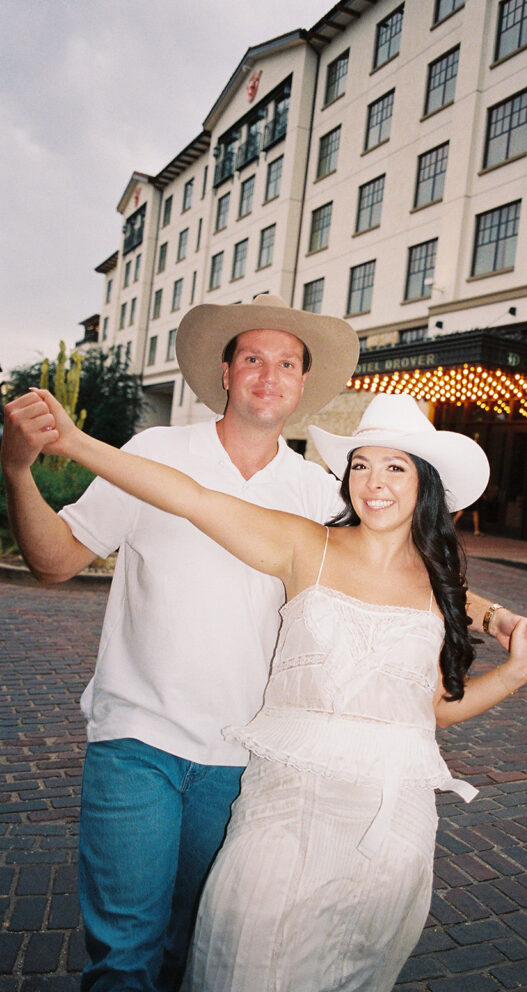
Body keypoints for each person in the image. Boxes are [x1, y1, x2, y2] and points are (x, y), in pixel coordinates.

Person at [28, 388, 527, 992]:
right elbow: (190, 497)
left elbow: (433, 712)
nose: (374, 481)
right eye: (361, 464)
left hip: (392, 834)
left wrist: (515, 670)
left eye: (395, 466)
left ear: (427, 484)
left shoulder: (441, 590)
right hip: (284, 815)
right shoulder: (305, 544)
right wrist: (72, 443)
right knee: (247, 963)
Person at [0, 295, 359, 992]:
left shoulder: (316, 492)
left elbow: (376, 586)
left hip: (243, 761)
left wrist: (489, 614)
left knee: (189, 950)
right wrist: (17, 470)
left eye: (287, 362)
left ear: (302, 384)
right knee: (124, 955)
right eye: (252, 356)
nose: (268, 373)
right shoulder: (156, 452)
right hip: (138, 739)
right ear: (226, 372)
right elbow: (56, 561)